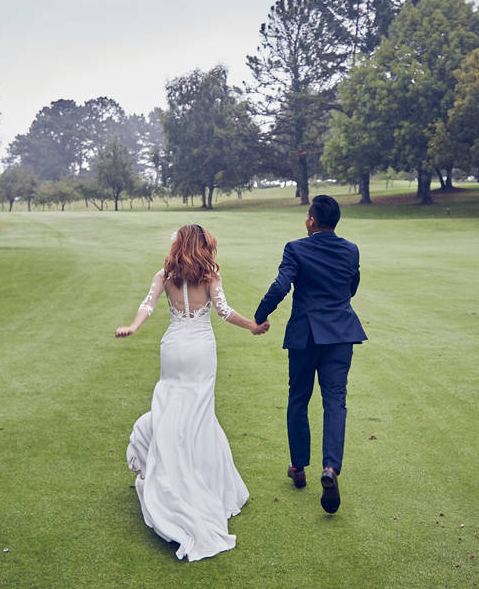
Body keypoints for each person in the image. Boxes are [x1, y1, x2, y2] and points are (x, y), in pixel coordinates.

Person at [117, 224, 269, 561]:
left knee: (171, 408)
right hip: (201, 348)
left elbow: (147, 306)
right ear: (204, 246)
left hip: (172, 347)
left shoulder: (165, 275)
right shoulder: (210, 275)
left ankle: (165, 466)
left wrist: (132, 327)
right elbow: (224, 312)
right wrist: (254, 326)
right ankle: (194, 479)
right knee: (198, 415)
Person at [254, 195, 367, 513]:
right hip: (340, 334)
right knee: (335, 403)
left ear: (312, 221)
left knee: (298, 399)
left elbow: (281, 286)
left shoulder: (296, 248)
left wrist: (260, 315)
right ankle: (330, 469)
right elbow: (352, 285)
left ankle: (298, 467)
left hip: (305, 335)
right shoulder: (350, 249)